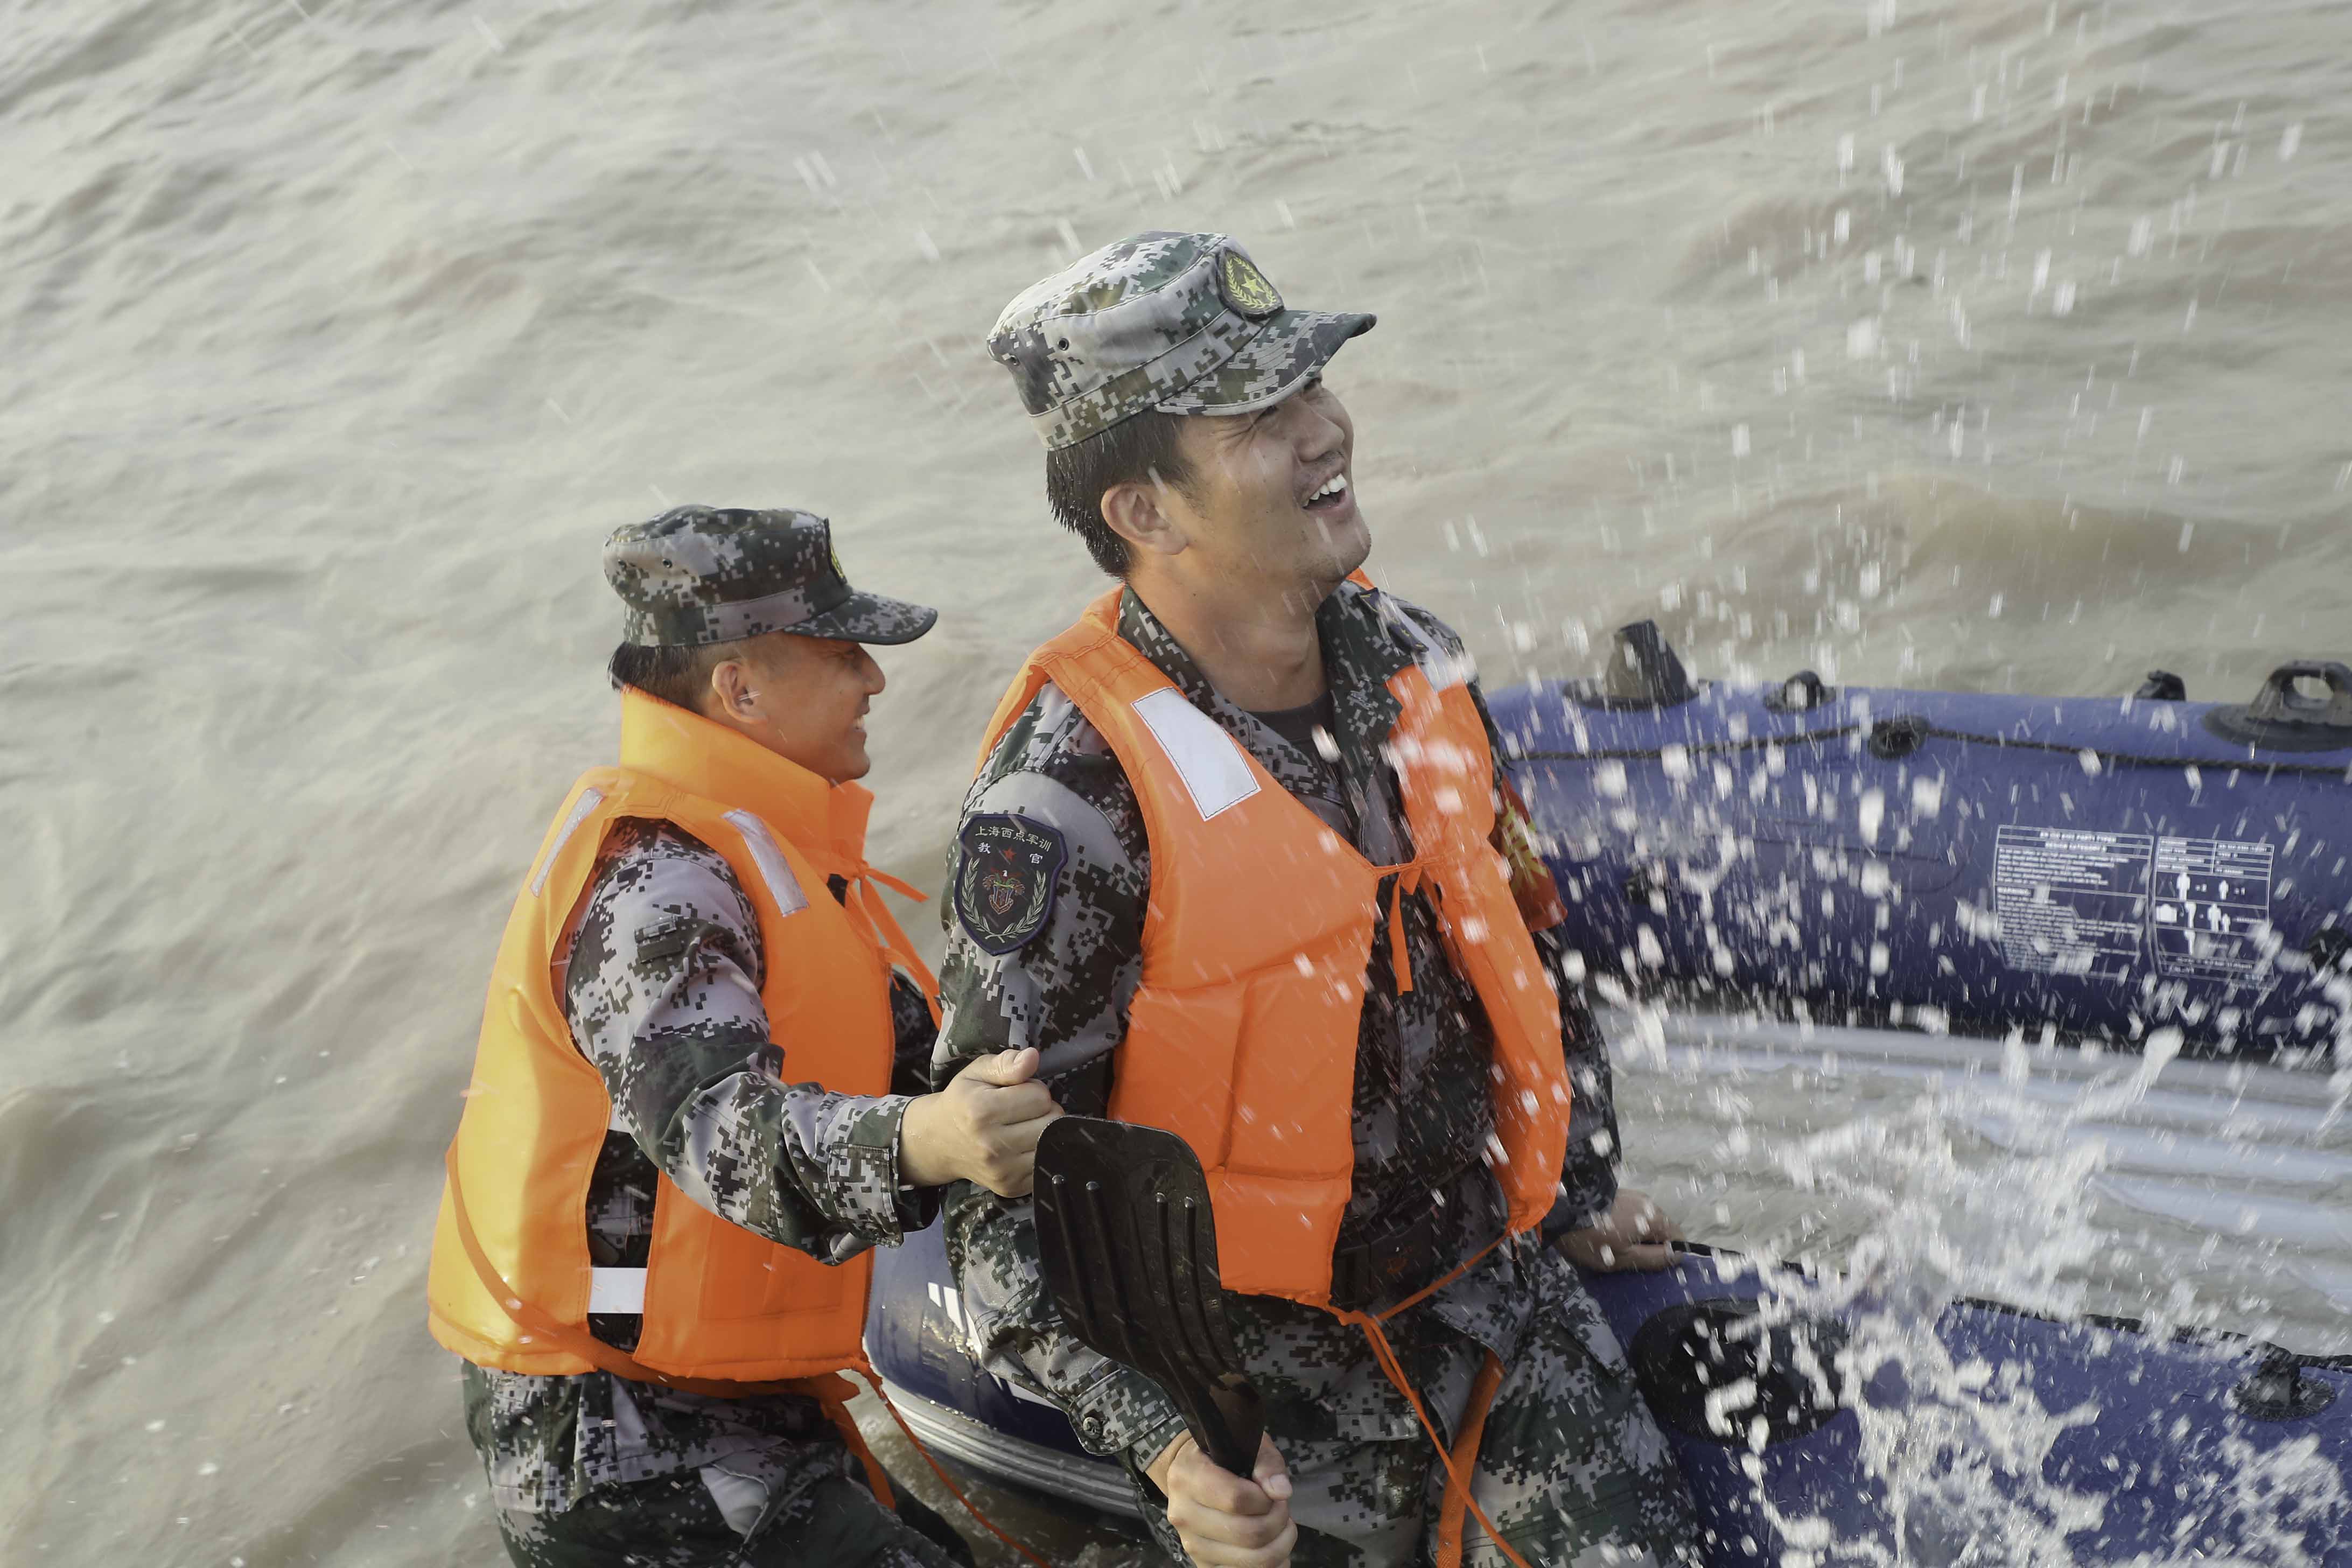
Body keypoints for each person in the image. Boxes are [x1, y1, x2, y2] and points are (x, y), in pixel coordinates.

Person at [934, 233, 1703, 1568]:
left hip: (1496, 1298)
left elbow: (1522, 943)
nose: (1323, 429)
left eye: (1312, 388)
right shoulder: (1065, 798)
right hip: (1260, 1390)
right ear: (1145, 511)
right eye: (1256, 417)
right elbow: (1003, 1203)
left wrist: (1576, 1186)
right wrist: (1175, 1449)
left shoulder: (1413, 661)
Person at [427, 506, 1059, 1567]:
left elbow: (928, 1061)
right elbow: (719, 1130)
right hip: (618, 1446)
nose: (876, 679)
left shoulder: (766, 860)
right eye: (843, 652)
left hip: (726, 1412)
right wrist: (930, 1142)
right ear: (742, 688)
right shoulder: (656, 888)